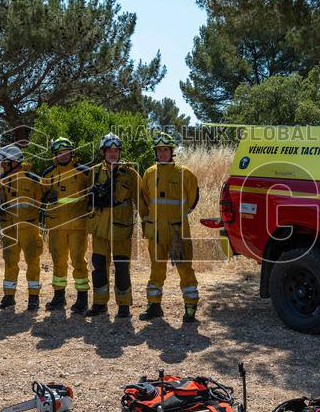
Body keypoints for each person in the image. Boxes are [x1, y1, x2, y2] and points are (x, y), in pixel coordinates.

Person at [139, 132, 201, 323]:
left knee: (184, 269)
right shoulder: (149, 173)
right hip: (156, 232)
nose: (163, 153)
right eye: (159, 150)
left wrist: (177, 218)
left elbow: (192, 200)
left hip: (177, 233)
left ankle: (190, 307)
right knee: (156, 269)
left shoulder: (185, 174)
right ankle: (154, 306)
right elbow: (145, 200)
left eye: (166, 149)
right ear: (156, 152)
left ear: (171, 151)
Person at [85, 133, 140, 318]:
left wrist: (149, 224)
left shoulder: (130, 173)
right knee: (99, 266)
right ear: (103, 152)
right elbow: (87, 200)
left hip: (121, 230)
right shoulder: (94, 172)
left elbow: (142, 201)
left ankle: (124, 305)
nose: (113, 154)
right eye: (109, 150)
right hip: (99, 230)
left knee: (122, 267)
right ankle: (100, 304)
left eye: (116, 150)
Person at [40, 137, 92, 311]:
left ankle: (82, 299)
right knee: (58, 262)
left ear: (72, 152)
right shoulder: (48, 174)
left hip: (78, 226)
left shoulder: (84, 172)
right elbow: (40, 196)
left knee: (78, 261)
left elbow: (93, 194)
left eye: (66, 152)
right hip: (56, 227)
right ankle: (59, 297)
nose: (63, 156)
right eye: (59, 153)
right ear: (55, 155)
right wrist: (45, 198)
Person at [0, 144, 44, 310]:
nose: (2, 165)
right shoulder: (1, 180)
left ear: (14, 162)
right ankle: (9, 296)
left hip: (28, 228)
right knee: (10, 261)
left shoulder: (32, 179)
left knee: (32, 262)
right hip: (9, 229)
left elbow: (40, 201)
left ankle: (33, 298)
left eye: (5, 162)